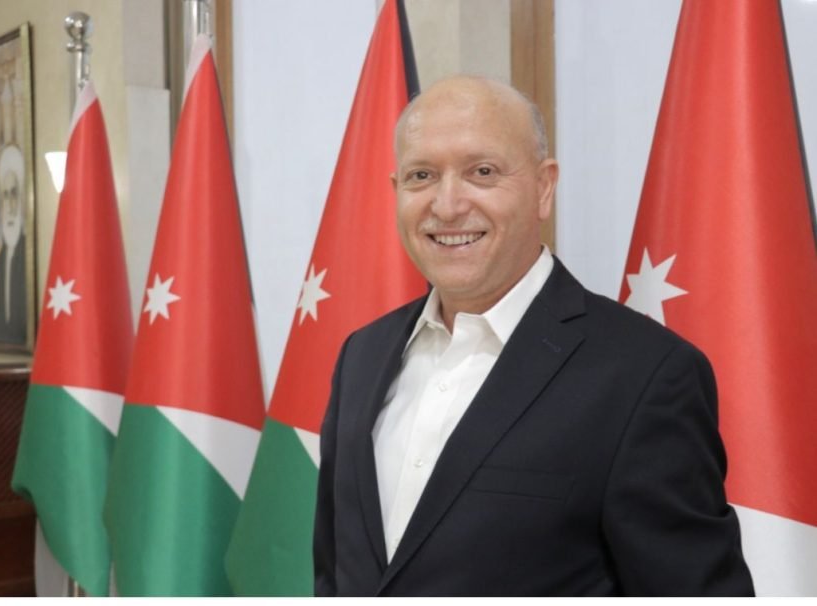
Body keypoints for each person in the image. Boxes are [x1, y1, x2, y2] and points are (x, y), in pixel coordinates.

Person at [313, 76, 753, 596]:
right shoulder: (362, 355)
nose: (447, 205)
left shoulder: (645, 376)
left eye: (482, 172)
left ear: (544, 187)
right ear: (397, 191)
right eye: (422, 175)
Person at [0, 144, 27, 343]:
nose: (9, 206)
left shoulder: (27, 254)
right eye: (5, 195)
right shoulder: (0, 256)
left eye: (14, 194)